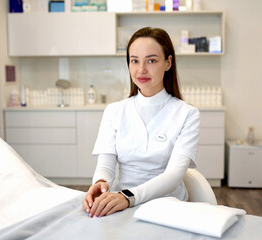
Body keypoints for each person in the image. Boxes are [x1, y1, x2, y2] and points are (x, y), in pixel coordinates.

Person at [82, 27, 200, 218]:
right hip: (122, 206)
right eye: (134, 60)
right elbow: (106, 165)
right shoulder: (114, 111)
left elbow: (173, 177)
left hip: (169, 207)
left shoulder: (187, 114)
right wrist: (100, 183)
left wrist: (129, 196)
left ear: (168, 63)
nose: (141, 70)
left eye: (151, 60)